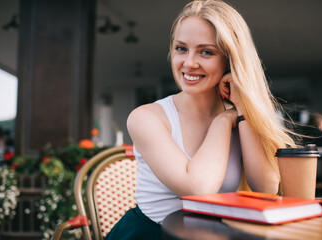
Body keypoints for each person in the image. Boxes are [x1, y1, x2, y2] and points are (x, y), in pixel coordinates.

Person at [104, 0, 296, 239]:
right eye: (181, 48)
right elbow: (197, 189)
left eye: (206, 52)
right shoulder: (146, 117)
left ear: (229, 60)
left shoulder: (240, 114)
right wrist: (223, 122)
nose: (189, 63)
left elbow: (266, 188)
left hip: (213, 235)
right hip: (151, 234)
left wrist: (242, 107)